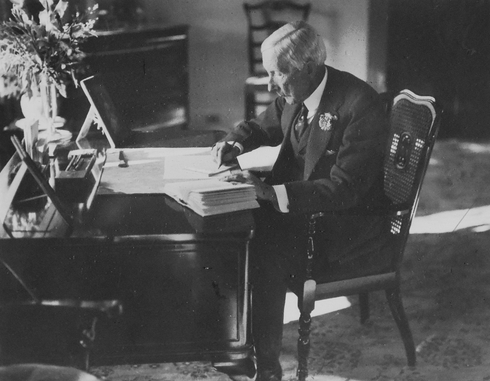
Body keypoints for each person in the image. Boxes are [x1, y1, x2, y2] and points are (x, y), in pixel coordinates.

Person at [212, 21, 390, 381]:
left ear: (307, 68)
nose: (269, 84)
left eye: (277, 74)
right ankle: (237, 347)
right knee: (228, 228)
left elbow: (344, 190)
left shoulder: (359, 105)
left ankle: (267, 369)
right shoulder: (298, 91)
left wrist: (272, 193)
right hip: (303, 210)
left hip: (343, 227)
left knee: (263, 248)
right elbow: (265, 124)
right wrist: (235, 142)